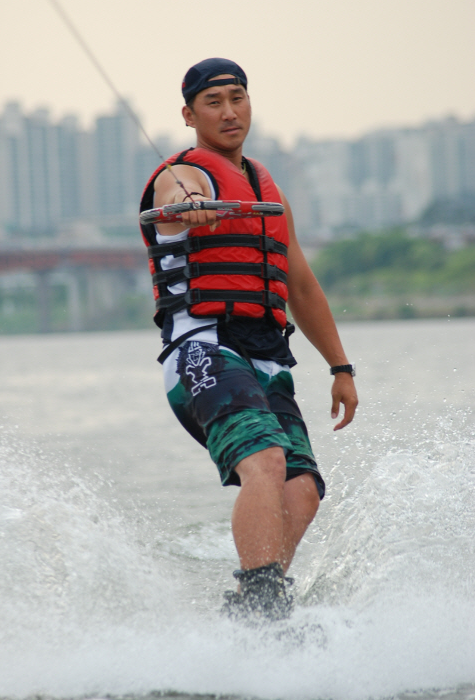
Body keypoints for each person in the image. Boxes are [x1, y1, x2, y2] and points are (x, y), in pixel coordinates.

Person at [139, 58, 358, 621]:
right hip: (202, 347)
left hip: (266, 355)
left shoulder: (267, 191)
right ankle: (264, 601)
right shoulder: (182, 174)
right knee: (264, 459)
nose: (229, 111)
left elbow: (301, 286)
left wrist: (340, 367)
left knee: (303, 488)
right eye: (213, 102)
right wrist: (190, 209)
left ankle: (251, 610)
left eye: (237, 98)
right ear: (189, 115)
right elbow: (174, 197)